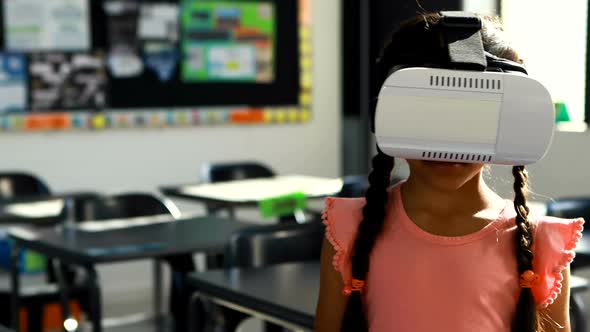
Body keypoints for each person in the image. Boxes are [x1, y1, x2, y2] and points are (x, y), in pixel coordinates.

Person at [314, 12, 584, 332]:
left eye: (474, 118)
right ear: (384, 114)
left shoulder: (542, 243)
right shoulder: (348, 228)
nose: (450, 138)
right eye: (429, 114)